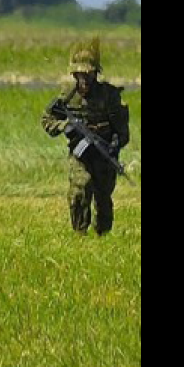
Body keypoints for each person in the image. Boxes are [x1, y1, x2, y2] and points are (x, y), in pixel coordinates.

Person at [41, 37, 130, 236]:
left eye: (87, 75)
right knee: (80, 189)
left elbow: (122, 129)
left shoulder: (109, 95)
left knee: (103, 196)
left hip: (103, 151)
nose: (83, 80)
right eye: (78, 75)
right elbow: (47, 120)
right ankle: (79, 233)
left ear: (94, 74)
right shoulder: (67, 95)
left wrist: (115, 144)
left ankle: (102, 234)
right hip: (79, 153)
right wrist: (66, 126)